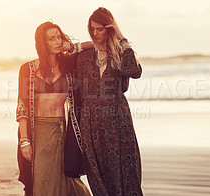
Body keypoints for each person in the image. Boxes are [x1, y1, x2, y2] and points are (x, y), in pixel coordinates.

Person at [16, 21, 93, 196]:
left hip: (61, 132)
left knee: (67, 181)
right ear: (42, 43)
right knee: (39, 180)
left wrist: (73, 46)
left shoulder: (69, 65)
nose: (57, 41)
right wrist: (24, 140)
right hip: (36, 134)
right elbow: (22, 106)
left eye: (59, 37)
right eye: (52, 39)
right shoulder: (27, 69)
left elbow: (95, 46)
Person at [75, 7, 143, 195]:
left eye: (100, 29)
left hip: (118, 121)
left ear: (109, 28)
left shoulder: (119, 54)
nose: (96, 34)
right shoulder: (83, 58)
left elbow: (134, 72)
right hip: (91, 123)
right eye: (92, 29)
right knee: (98, 174)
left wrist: (121, 39)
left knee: (125, 171)